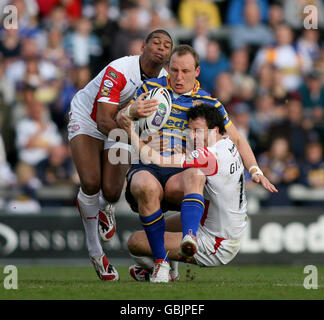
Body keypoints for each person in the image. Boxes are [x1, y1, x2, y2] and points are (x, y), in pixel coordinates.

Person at [117, 44, 277, 283]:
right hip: (150, 168)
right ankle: (164, 262)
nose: (179, 77)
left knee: (195, 175)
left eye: (186, 71)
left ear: (198, 71)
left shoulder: (209, 106)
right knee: (147, 188)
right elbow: (123, 116)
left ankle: (176, 249)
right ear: (168, 69)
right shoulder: (150, 89)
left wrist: (255, 169)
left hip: (182, 176)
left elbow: (238, 139)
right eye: (174, 70)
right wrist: (129, 115)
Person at [67, 29, 173, 281]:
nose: (161, 47)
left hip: (126, 126)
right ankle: (95, 251)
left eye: (167, 45)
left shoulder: (166, 82)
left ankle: (106, 207)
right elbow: (104, 120)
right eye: (156, 42)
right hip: (89, 119)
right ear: (143, 48)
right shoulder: (120, 70)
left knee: (113, 191)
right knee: (91, 182)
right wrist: (139, 144)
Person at [121, 104, 269, 281]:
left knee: (135, 242)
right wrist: (255, 171)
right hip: (221, 224)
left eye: (197, 131)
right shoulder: (228, 143)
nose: (191, 136)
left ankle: (162, 267)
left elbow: (157, 160)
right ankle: (172, 267)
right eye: (190, 130)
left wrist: (131, 133)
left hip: (216, 243)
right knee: (161, 227)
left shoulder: (209, 156)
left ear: (214, 130)